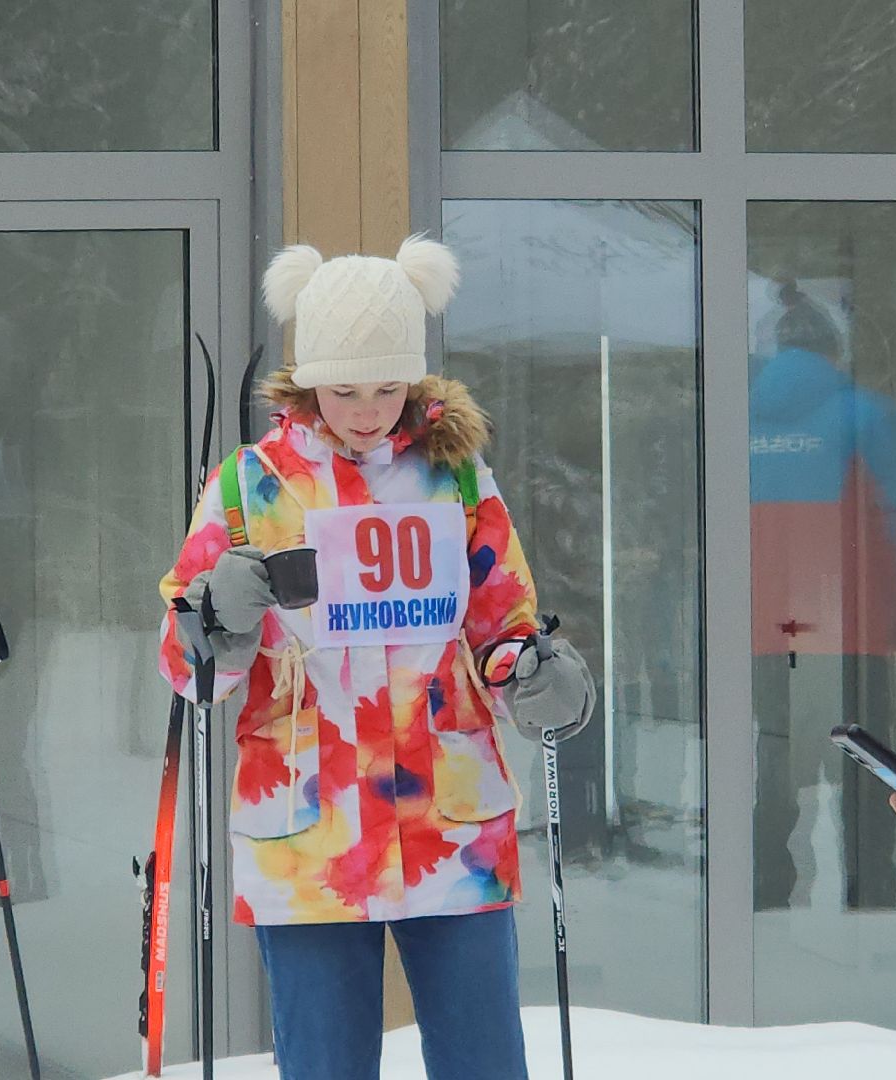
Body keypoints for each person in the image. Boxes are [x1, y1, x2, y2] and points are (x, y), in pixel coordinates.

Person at [157, 236, 596, 1080]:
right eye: (347, 388)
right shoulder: (250, 486)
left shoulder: (457, 477)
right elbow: (188, 671)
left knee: (484, 1064)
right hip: (309, 828)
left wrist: (536, 676)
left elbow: (503, 624)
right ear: (308, 378)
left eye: (389, 387)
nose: (367, 409)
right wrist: (218, 616)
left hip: (450, 823)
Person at [748, 283, 896, 911]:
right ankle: (875, 900)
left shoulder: (736, 424)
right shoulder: (868, 415)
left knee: (775, 759)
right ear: (835, 352)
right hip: (859, 625)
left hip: (764, 628)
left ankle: (768, 898)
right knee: (871, 761)